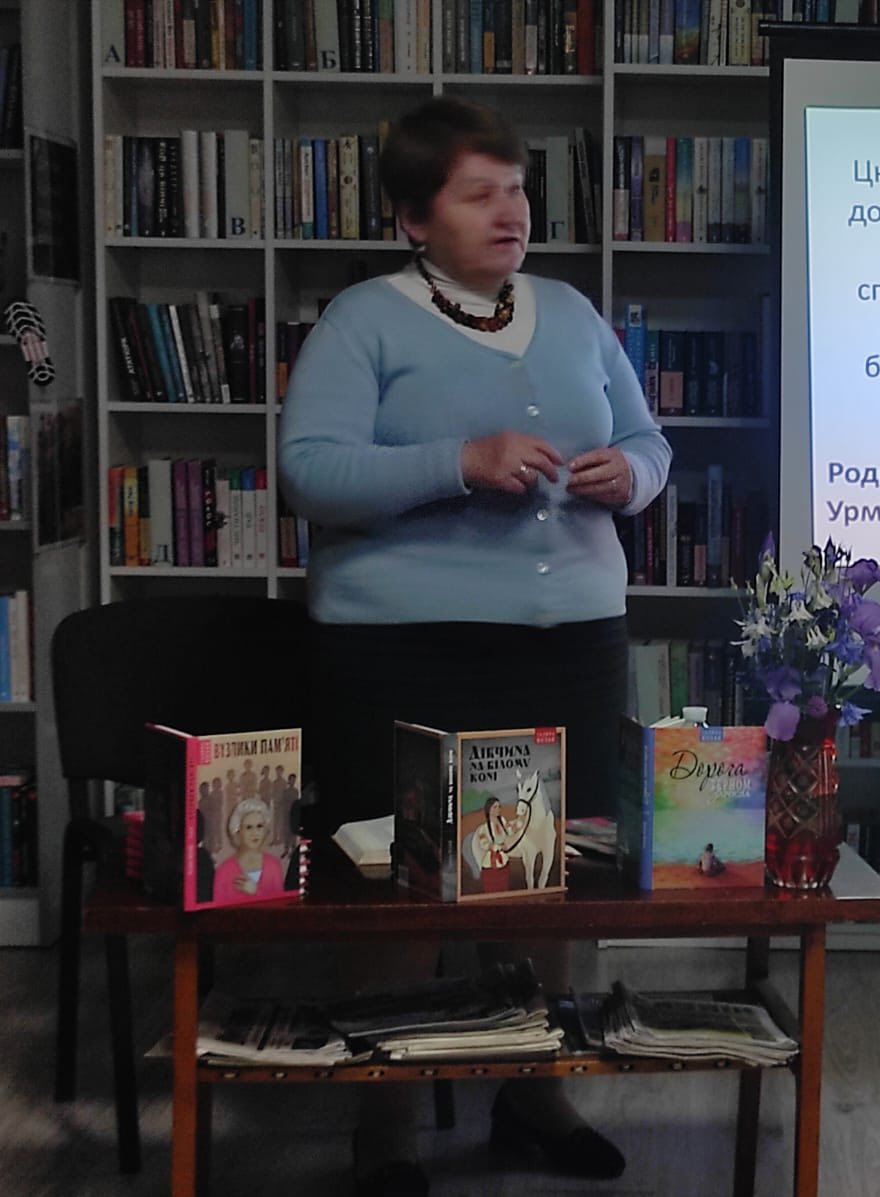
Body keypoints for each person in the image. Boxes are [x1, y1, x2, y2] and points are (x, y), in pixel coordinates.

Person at [279, 96, 670, 1195]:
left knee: (549, 890)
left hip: (566, 649)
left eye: (517, 189)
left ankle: (534, 1095)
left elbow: (648, 439)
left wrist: (632, 476)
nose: (511, 211)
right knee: (401, 897)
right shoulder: (362, 320)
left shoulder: (573, 312)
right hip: (405, 653)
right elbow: (310, 470)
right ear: (415, 218)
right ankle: (386, 1128)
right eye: (477, 192)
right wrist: (460, 461)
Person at [212, 798, 286, 902]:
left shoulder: (274, 866)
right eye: (248, 827)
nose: (255, 833)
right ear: (238, 831)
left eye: (259, 826)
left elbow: (280, 906)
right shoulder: (223, 871)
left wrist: (256, 892)